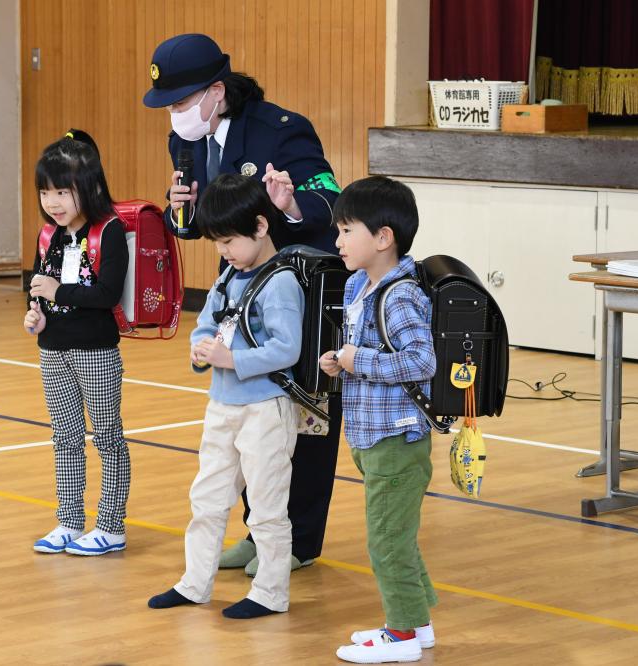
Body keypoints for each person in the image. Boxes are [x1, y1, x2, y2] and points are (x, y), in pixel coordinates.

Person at [143, 31, 342, 576]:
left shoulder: (281, 130)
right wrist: (178, 212)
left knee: (306, 415)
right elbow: (201, 222)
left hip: (302, 290)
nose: (176, 115)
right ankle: (260, 532)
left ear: (216, 90)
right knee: (256, 418)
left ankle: (298, 540)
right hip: (242, 291)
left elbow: (331, 200)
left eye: (182, 102)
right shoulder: (186, 140)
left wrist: (292, 202)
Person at [147, 174, 303, 619]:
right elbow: (206, 325)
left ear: (260, 226)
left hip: (265, 409)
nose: (223, 251)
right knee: (208, 499)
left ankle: (270, 593)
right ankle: (195, 583)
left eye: (229, 241)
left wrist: (230, 358)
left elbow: (285, 348)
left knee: (268, 508)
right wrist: (202, 352)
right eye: (216, 243)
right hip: (223, 404)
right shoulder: (231, 275)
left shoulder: (280, 283)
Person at [318, 176, 438, 664]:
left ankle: (402, 635)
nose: (338, 241)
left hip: (397, 436)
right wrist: (340, 361)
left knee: (387, 539)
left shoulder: (402, 295)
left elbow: (420, 362)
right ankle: (418, 626)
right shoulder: (356, 285)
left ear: (383, 237)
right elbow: (363, 349)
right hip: (370, 432)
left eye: (347, 230)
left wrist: (357, 360)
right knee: (396, 535)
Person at [25, 132, 131, 557]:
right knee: (65, 437)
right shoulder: (48, 235)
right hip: (52, 350)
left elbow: (106, 294)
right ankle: (69, 519)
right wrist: (34, 313)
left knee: (107, 436)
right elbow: (36, 287)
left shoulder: (109, 231)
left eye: (63, 192)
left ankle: (111, 525)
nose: (53, 202)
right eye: (45, 192)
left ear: (88, 187)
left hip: (96, 353)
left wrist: (57, 292)